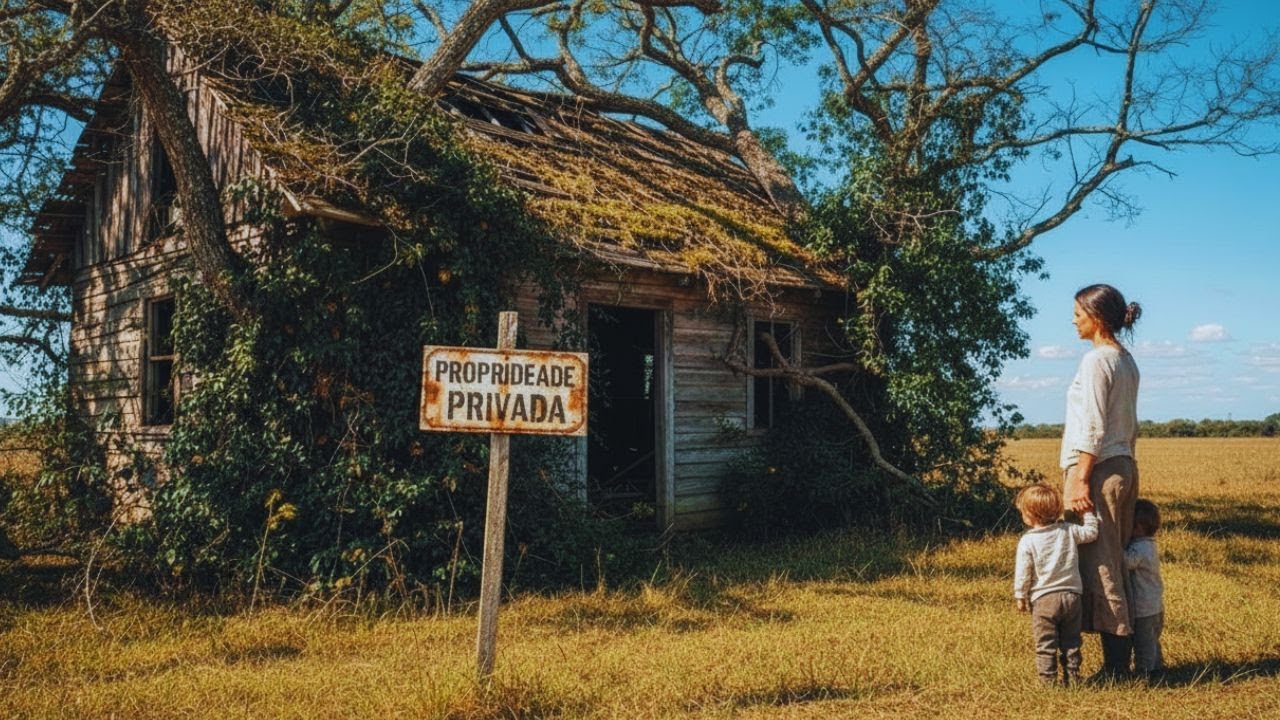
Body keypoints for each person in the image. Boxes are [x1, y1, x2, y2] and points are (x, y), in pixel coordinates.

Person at [1061, 283, 1142, 678]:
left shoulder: (1097, 361)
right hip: (1123, 465)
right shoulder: (1126, 359)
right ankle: (1129, 658)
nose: (1073, 320)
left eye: (1078, 313)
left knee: (1103, 563)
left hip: (1099, 468)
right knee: (1114, 558)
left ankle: (1116, 668)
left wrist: (1079, 479)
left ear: (1096, 317)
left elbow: (1092, 426)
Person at [1013, 483, 1101, 686]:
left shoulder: (1027, 541)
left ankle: (1048, 681)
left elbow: (1023, 572)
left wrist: (1020, 596)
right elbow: (1091, 533)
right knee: (1071, 642)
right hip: (1072, 596)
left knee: (1046, 644)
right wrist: (1088, 513)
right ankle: (1073, 677)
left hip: (1043, 600)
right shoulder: (1068, 530)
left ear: (1030, 515)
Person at [1124, 498, 1165, 678]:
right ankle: (1156, 666)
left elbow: (1126, 561)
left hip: (1143, 608)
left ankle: (1145, 673)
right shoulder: (1150, 545)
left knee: (1143, 643)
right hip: (1155, 605)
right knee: (1152, 640)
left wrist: (1113, 548)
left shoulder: (1139, 548)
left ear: (1138, 528)